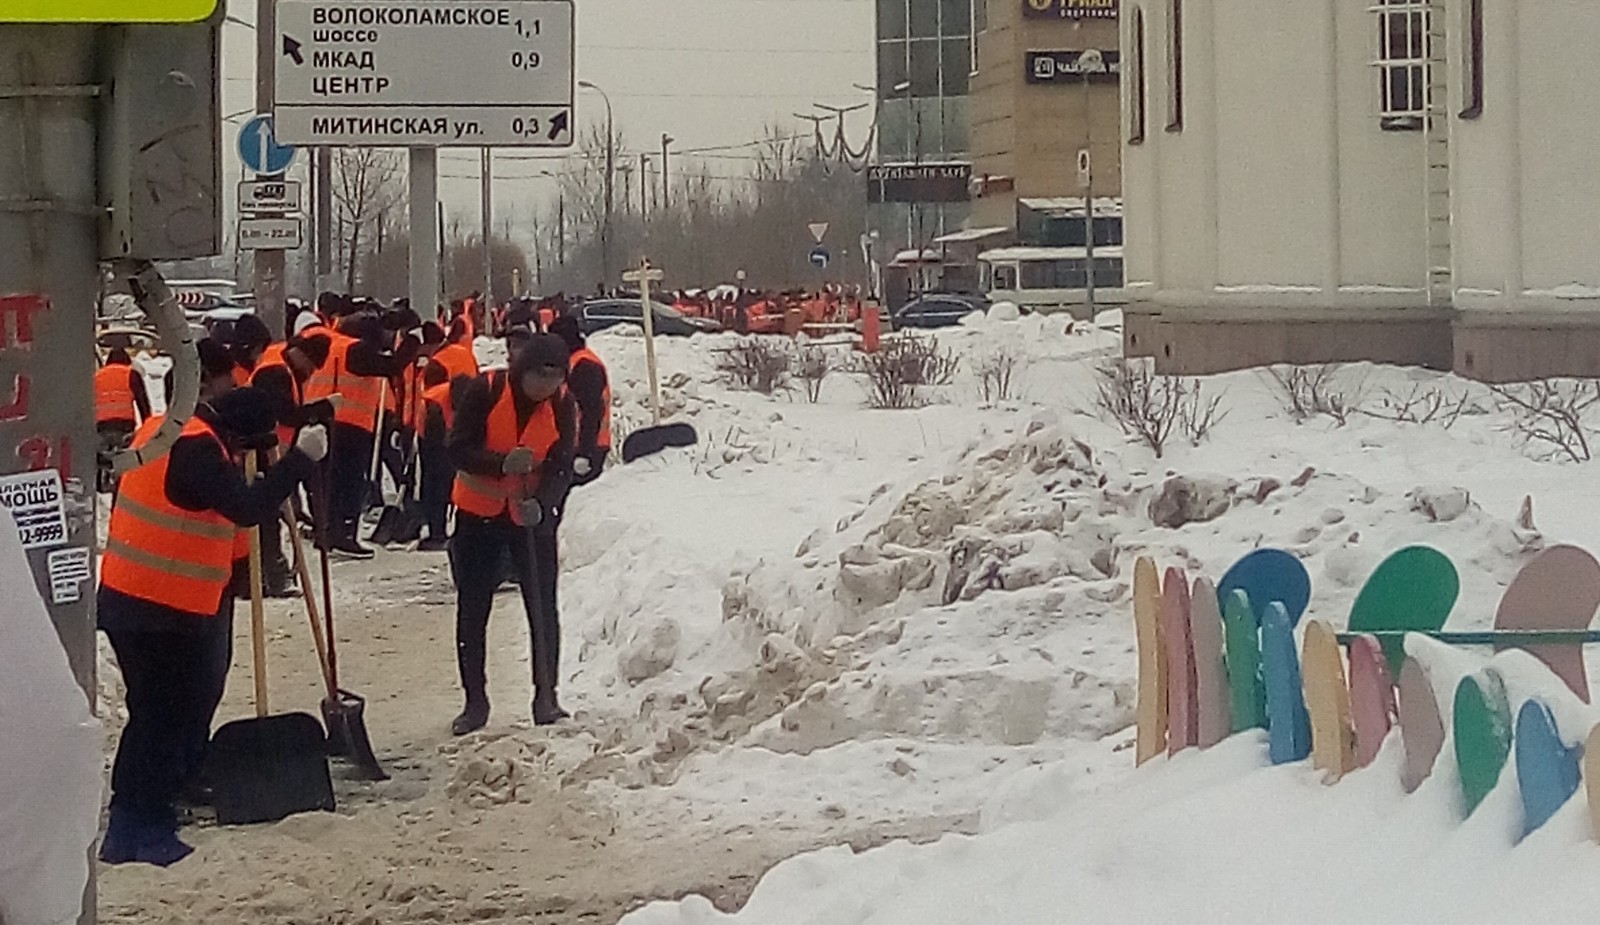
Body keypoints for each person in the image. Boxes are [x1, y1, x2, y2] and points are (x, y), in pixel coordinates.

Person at [97, 386, 328, 867]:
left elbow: (208, 519)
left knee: (154, 717)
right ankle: (140, 826)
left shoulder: (163, 429)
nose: (243, 456)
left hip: (137, 601)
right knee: (162, 721)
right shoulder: (197, 448)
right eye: (245, 447)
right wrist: (298, 462)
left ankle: (140, 819)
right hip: (161, 608)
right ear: (235, 433)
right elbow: (243, 506)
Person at [446, 333, 575, 733]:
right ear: (523, 372)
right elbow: (457, 449)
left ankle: (546, 696)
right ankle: (475, 702)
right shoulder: (485, 390)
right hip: (478, 514)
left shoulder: (563, 405)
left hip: (530, 519)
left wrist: (546, 501)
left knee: (542, 607)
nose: (545, 388)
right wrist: (500, 463)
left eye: (554, 380)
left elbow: (561, 463)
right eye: (539, 378)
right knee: (474, 607)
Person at [303, 307, 419, 558]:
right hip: (350, 424)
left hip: (325, 420)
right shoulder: (356, 350)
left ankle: (328, 534)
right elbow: (392, 366)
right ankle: (343, 535)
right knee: (349, 483)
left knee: (329, 483)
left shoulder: (333, 345)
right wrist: (413, 341)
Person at [548, 315, 611, 486]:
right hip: (577, 446)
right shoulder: (574, 362)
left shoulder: (585, 366)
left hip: (586, 448)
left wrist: (584, 453)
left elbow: (592, 412)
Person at [94, 347, 153, 494]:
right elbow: (143, 402)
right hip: (124, 425)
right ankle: (121, 487)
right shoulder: (131, 374)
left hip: (101, 425)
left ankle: (101, 484)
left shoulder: (97, 376)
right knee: (123, 458)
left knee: (102, 457)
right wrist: (148, 426)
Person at [416, 360, 456, 551]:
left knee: (434, 488)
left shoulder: (431, 396)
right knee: (444, 488)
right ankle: (440, 530)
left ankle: (436, 532)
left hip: (436, 444)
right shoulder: (449, 391)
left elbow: (430, 423)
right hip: (450, 443)